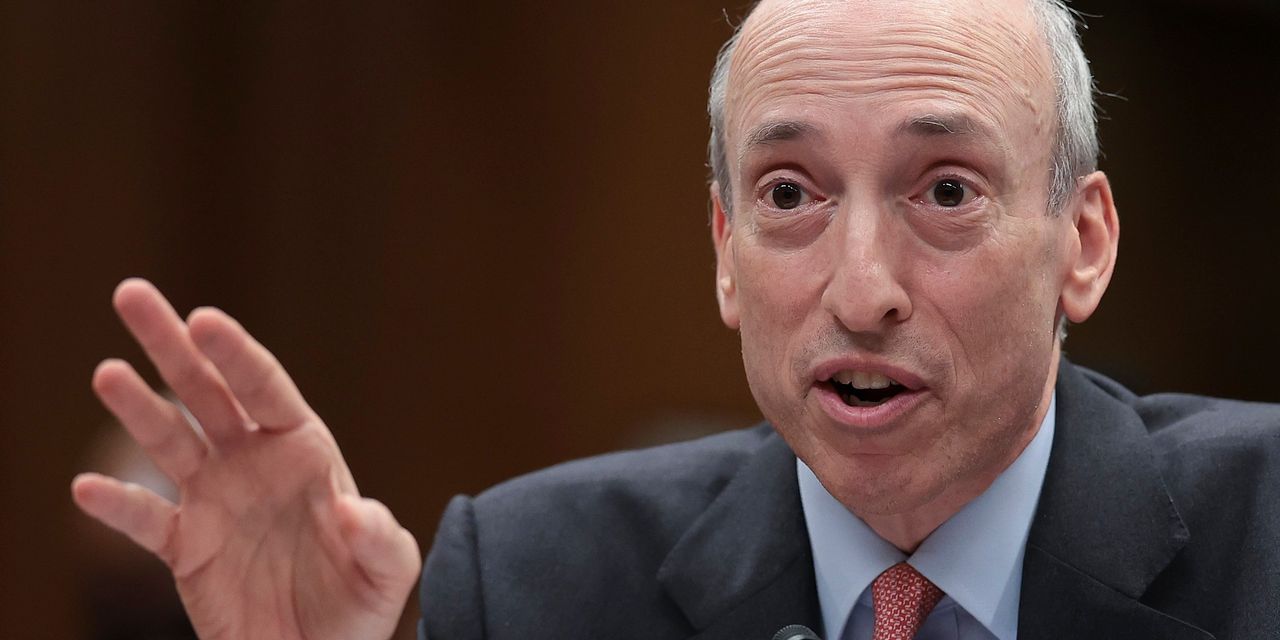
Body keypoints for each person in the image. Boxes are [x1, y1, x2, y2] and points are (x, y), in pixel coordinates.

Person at [71, 0, 1279, 638]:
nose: (861, 289)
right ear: (723, 253)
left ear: (1081, 243)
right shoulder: (530, 583)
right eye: (789, 196)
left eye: (946, 192)